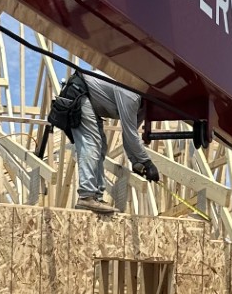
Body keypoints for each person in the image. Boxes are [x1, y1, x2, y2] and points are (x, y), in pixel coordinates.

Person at [66, 72, 161, 213]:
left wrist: (136, 162)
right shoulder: (132, 95)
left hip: (90, 101)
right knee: (92, 143)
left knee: (101, 146)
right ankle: (86, 197)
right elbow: (131, 134)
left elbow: (129, 135)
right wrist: (147, 162)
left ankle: (95, 197)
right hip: (79, 91)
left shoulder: (143, 106)